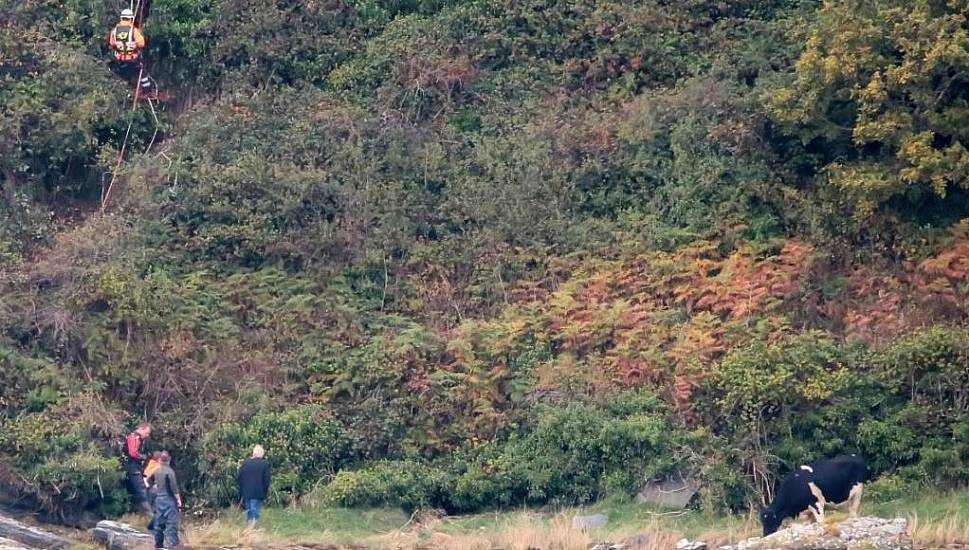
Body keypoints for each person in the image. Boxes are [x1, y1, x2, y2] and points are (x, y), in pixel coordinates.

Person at [147, 451, 182, 550]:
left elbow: (149, 481)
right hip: (169, 499)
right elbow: (173, 486)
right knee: (171, 523)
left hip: (159, 499)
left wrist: (154, 487)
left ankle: (158, 545)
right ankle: (174, 545)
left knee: (159, 523)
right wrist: (178, 499)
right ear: (169, 459)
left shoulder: (156, 470)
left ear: (160, 460)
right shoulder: (169, 472)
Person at [237, 445, 271, 528]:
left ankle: (249, 525)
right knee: (255, 509)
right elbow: (266, 480)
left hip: (246, 491)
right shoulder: (264, 464)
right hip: (258, 491)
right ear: (261, 454)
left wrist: (242, 490)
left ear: (254, 453)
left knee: (249, 509)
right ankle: (252, 526)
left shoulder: (245, 463)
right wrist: (265, 491)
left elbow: (240, 477)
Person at [122, 423, 153, 516]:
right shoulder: (134, 437)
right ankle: (150, 516)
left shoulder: (139, 439)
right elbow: (132, 453)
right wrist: (142, 457)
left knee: (146, 489)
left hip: (136, 467)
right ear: (142, 429)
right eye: (147, 433)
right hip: (132, 467)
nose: (147, 436)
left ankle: (145, 514)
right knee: (142, 491)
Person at [143, 451, 163, 530]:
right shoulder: (158, 467)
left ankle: (152, 528)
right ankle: (151, 528)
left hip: (149, 490)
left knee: (156, 511)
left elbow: (145, 477)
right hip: (155, 490)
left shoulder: (150, 465)